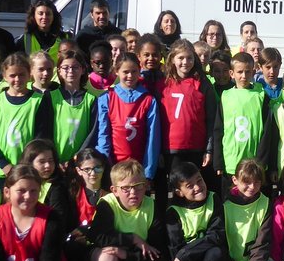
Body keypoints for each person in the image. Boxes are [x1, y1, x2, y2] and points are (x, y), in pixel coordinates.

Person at [165, 161, 228, 261]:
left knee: (217, 252)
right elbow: (177, 257)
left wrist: (184, 254)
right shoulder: (173, 213)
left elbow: (217, 235)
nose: (198, 187)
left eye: (199, 180)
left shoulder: (214, 198)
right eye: (189, 185)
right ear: (179, 192)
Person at [221, 159, 280, 261]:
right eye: (246, 182)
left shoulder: (265, 202)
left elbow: (263, 240)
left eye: (257, 182)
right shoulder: (224, 206)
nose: (252, 187)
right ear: (235, 180)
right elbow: (220, 244)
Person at [0, 53, 54, 185]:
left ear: (29, 74)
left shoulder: (39, 101)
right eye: (12, 75)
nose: (17, 79)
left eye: (22, 74)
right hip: (1, 171)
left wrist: (26, 165)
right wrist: (4, 164)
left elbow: (41, 137)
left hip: (29, 170)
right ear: (5, 76)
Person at [95, 52, 160, 182]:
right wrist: (104, 164)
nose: (130, 76)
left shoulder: (148, 100)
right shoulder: (107, 98)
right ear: (116, 71)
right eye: (125, 72)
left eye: (134, 71)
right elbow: (103, 134)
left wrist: (148, 171)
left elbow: (153, 138)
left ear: (139, 70)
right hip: (114, 166)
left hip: (138, 168)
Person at [158, 39, 217, 178]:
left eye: (189, 58)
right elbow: (158, 120)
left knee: (194, 185)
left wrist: (208, 149)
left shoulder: (202, 83)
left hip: (196, 147)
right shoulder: (163, 84)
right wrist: (158, 150)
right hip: (171, 148)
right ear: (172, 59)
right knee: (176, 189)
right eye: (181, 58)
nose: (185, 62)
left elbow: (211, 118)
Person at [213, 53, 270, 185]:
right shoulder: (225, 96)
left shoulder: (261, 95)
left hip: (254, 162)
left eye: (247, 71)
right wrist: (218, 162)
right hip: (231, 162)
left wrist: (262, 160)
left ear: (254, 72)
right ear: (232, 73)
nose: (243, 76)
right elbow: (218, 129)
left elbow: (267, 131)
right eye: (240, 72)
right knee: (230, 200)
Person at [51, 49, 98, 164]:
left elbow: (92, 133)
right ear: (59, 71)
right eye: (65, 68)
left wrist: (77, 158)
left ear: (82, 70)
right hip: (55, 162)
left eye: (75, 67)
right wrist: (53, 158)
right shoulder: (51, 98)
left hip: (80, 162)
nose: (70, 71)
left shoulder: (91, 99)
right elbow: (45, 132)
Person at [20, 139, 75, 234]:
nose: (48, 165)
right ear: (30, 163)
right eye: (42, 162)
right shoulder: (20, 184)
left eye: (51, 161)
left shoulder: (57, 187)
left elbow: (58, 220)